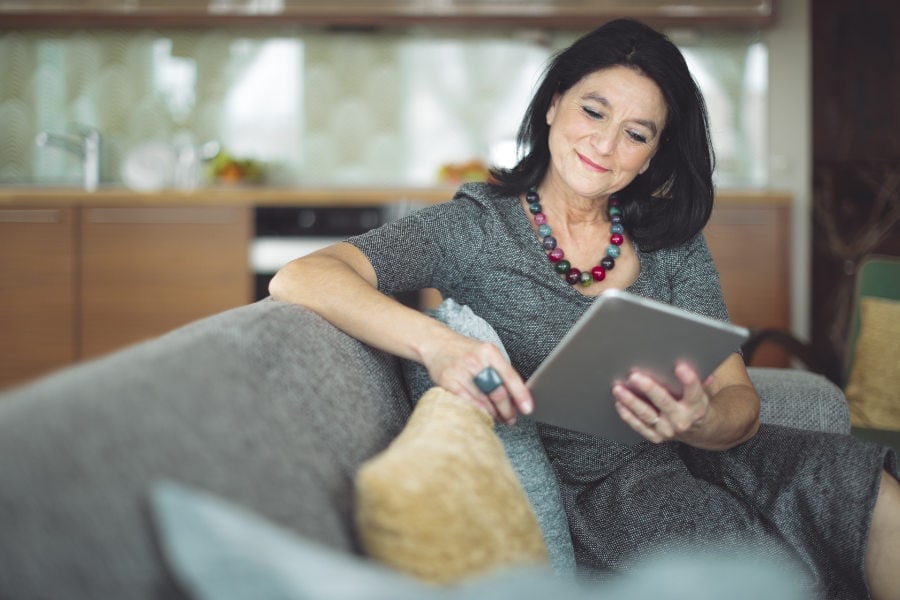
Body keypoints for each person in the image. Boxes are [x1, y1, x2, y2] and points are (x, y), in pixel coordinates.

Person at [270, 18, 900, 599]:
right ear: (553, 104)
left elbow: (740, 406)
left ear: (652, 154)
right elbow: (303, 275)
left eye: (636, 134)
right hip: (604, 497)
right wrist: (440, 345)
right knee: (742, 562)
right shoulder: (475, 229)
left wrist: (697, 420)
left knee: (871, 492)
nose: (604, 143)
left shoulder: (671, 245)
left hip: (707, 457)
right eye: (592, 111)